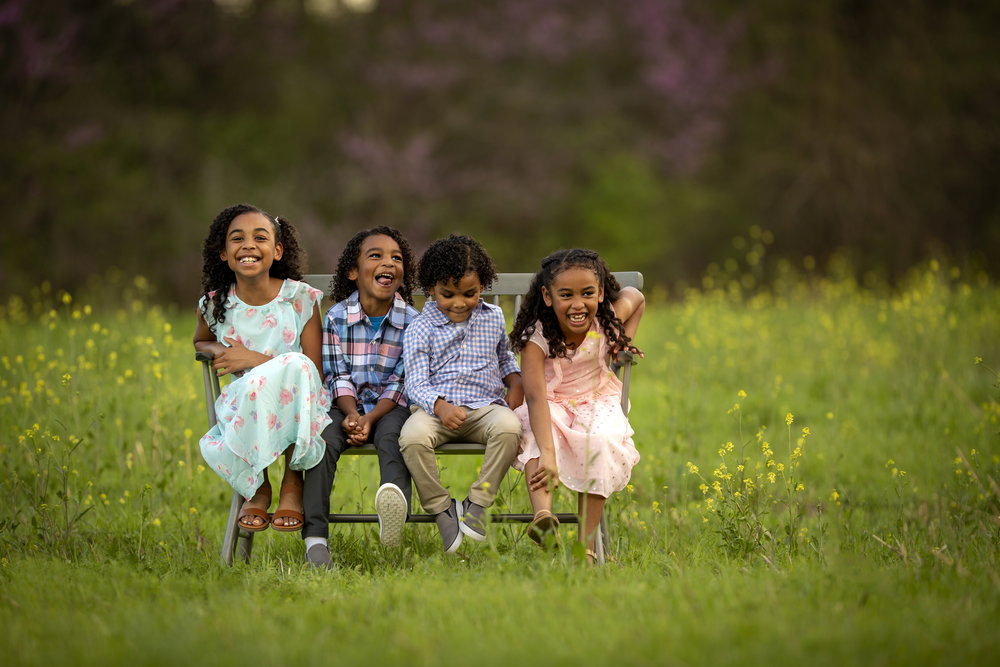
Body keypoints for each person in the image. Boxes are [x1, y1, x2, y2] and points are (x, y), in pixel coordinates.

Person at [194, 203, 332, 537]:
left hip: (301, 400)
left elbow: (312, 368)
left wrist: (253, 359)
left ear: (278, 250)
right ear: (224, 253)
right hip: (245, 406)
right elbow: (200, 342)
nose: (249, 245)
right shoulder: (215, 304)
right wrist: (219, 350)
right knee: (257, 387)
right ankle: (258, 485)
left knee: (295, 366)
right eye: (237, 238)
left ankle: (292, 481)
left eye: (260, 237)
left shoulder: (299, 298)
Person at [508, 248, 644, 563]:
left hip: (597, 397)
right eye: (566, 294)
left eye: (587, 293)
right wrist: (550, 453)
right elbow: (536, 398)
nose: (578, 303)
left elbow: (636, 296)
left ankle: (585, 546)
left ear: (600, 293)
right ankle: (542, 516)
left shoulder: (607, 320)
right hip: (550, 400)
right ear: (547, 295)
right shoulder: (536, 337)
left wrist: (623, 340)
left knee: (601, 440)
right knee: (534, 436)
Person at [301, 227, 420, 569]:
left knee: (392, 437)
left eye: (396, 258)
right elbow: (335, 375)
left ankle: (392, 523)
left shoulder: (413, 321)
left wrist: (370, 419)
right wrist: (353, 414)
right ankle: (316, 539)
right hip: (345, 405)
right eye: (376, 256)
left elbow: (403, 380)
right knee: (323, 439)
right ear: (353, 272)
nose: (389, 263)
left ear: (403, 273)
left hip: (391, 406)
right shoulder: (337, 317)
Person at [399, 234, 524, 553]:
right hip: (435, 412)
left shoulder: (493, 317)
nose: (459, 302)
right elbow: (414, 383)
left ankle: (477, 503)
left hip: (485, 409)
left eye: (470, 293)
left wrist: (515, 380)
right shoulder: (420, 328)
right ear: (430, 289)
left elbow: (504, 355)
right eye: (448, 294)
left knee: (510, 428)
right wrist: (439, 407)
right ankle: (442, 509)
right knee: (412, 438)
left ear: (483, 285)